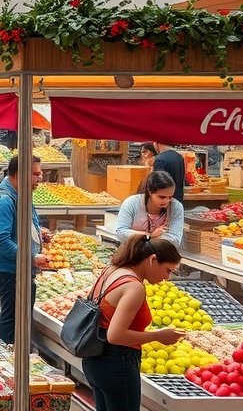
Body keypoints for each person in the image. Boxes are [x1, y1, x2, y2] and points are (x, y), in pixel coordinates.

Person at [82, 235, 186, 411]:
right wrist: (158, 336)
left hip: (94, 360)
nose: (167, 278)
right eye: (168, 270)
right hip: (117, 363)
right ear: (152, 260)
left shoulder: (112, 271)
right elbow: (115, 335)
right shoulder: (134, 287)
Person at [0, 154, 49, 345]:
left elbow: (14, 228)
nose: (40, 178)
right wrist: (31, 257)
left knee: (16, 318)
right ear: (19, 174)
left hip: (17, 269)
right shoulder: (4, 200)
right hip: (10, 270)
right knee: (12, 320)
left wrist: (37, 233)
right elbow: (0, 240)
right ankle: (8, 362)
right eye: (36, 174)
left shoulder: (19, 194)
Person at [115, 170, 184, 247]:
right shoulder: (132, 202)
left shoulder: (176, 207)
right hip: (133, 253)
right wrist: (149, 235)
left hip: (162, 254)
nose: (167, 201)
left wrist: (140, 237)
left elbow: (175, 240)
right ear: (150, 192)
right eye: (162, 197)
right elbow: (121, 233)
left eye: (170, 197)